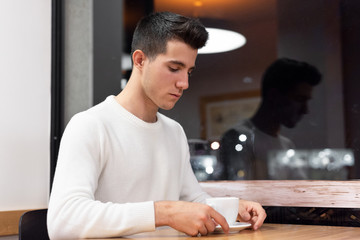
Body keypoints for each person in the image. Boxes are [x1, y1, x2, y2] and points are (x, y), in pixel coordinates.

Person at [47, 12, 266, 239]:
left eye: (189, 71)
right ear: (140, 60)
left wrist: (232, 208)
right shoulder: (90, 125)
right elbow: (63, 221)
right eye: (174, 68)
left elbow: (192, 201)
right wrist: (163, 212)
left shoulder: (174, 131)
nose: (184, 83)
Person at [220, 58, 322, 180]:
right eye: (299, 99)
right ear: (274, 96)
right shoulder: (238, 137)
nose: (305, 110)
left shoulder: (287, 145)